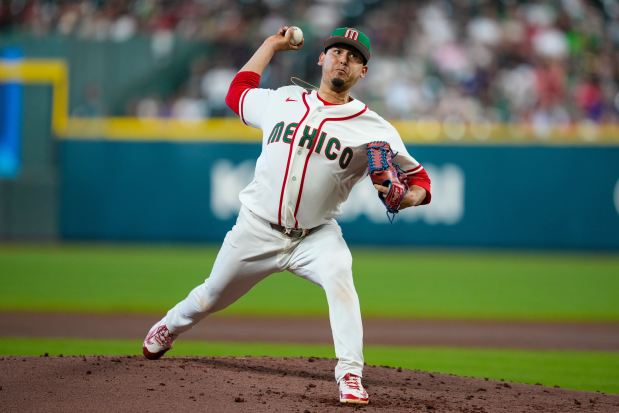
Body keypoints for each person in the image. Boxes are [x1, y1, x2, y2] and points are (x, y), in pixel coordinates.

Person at [142, 26, 432, 405]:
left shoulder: (375, 129)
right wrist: (270, 45)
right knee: (210, 296)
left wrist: (405, 198)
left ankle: (350, 374)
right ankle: (170, 326)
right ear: (321, 58)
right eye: (336, 52)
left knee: (340, 276)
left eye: (354, 56)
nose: (343, 59)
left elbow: (421, 181)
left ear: (363, 72)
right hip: (256, 229)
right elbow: (237, 93)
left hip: (316, 235)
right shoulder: (284, 100)